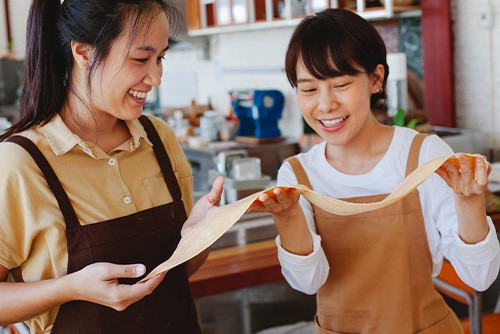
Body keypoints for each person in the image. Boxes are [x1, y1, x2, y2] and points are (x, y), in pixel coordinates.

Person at [249, 8, 500, 333]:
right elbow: (307, 282)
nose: (324, 105)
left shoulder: (423, 154)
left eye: (340, 84)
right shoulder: (297, 175)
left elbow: (479, 276)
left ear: (376, 79)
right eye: (309, 90)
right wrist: (286, 219)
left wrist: (469, 203)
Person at [0, 0, 224, 333]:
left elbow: (177, 274)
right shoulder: (21, 163)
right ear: (84, 53)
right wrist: (70, 287)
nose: (156, 77)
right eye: (141, 59)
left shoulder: (159, 138)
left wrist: (198, 237)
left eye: (160, 58)